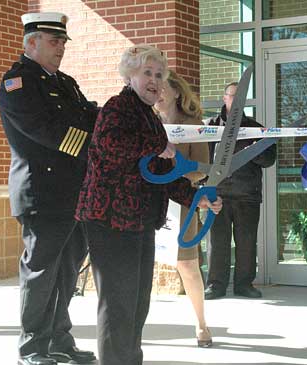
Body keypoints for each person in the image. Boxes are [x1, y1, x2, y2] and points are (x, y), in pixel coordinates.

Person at [75, 45, 222, 365]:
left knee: (138, 303)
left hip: (139, 221)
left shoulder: (149, 117)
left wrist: (198, 199)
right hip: (110, 220)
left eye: (159, 75)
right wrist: (157, 145)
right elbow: (111, 145)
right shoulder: (116, 108)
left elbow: (162, 174)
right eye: (147, 73)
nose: (154, 80)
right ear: (130, 76)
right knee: (118, 304)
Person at [0, 12, 98, 365]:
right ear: (31, 43)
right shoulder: (18, 84)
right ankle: (33, 347)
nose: (60, 48)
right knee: (41, 272)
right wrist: (98, 147)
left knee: (68, 273)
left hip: (75, 192)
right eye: (53, 42)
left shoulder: (67, 83)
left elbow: (90, 116)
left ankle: (59, 340)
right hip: (42, 193)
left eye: (62, 42)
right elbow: (46, 131)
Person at [154, 70, 213, 347]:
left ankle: (201, 323)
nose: (158, 92)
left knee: (187, 264)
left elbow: (201, 171)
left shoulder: (194, 125)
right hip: (147, 201)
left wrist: (177, 167)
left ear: (177, 92)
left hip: (182, 201)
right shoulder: (146, 123)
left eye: (163, 87)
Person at [204, 82, 277, 300]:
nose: (235, 100)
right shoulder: (210, 127)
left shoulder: (256, 128)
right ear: (224, 98)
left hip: (248, 195)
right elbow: (199, 159)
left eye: (240, 97)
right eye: (231, 96)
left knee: (246, 243)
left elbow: (269, 160)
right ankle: (216, 285)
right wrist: (201, 189)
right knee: (217, 243)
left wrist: (253, 148)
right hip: (217, 195)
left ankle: (244, 284)